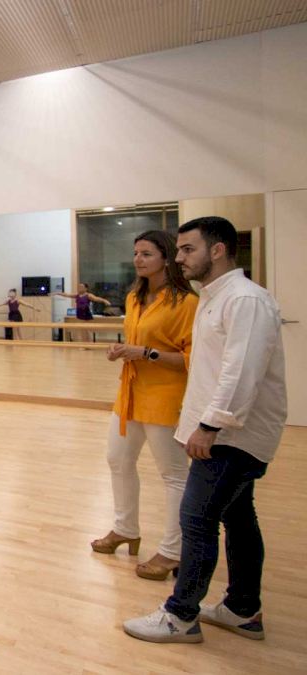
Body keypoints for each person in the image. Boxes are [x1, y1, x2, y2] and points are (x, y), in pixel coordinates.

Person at [124, 216, 287, 643]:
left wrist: (210, 425)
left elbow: (240, 372)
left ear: (217, 250)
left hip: (231, 436)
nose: (178, 258)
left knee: (196, 520)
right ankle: (242, 609)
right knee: (239, 517)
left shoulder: (244, 300)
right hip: (220, 431)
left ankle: (180, 616)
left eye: (187, 249)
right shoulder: (215, 298)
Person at [90, 231, 197, 581]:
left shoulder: (186, 303)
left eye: (147, 253)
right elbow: (136, 341)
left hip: (165, 396)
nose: (138, 259)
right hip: (130, 393)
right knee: (118, 459)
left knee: (173, 474)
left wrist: (146, 353)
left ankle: (173, 551)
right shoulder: (134, 297)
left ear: (167, 258)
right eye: (136, 253)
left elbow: (192, 359)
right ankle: (125, 529)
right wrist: (122, 350)